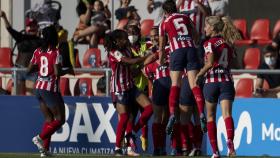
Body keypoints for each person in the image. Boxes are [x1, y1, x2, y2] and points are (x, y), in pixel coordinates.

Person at [158, 0, 206, 135]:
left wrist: (161, 60)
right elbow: (196, 34)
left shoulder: (164, 23)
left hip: (176, 52)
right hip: (190, 50)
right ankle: (201, 112)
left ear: (165, 12)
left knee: (175, 85)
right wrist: (193, 42)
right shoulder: (185, 17)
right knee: (194, 85)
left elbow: (161, 46)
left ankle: (172, 114)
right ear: (175, 8)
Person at [195, 16, 240, 158]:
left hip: (211, 82)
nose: (204, 29)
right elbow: (235, 63)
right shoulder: (228, 43)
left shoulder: (209, 43)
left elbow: (210, 62)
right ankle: (230, 144)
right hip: (226, 80)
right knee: (227, 114)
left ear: (213, 28)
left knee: (210, 117)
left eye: (206, 26)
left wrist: (199, 74)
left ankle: (215, 152)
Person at [104, 29, 153, 156]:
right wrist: (146, 57)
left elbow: (134, 58)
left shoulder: (126, 49)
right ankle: (117, 148)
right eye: (124, 38)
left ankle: (132, 133)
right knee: (125, 117)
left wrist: (145, 54)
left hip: (131, 85)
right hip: (119, 88)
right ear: (117, 40)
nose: (126, 40)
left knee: (149, 108)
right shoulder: (114, 52)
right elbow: (129, 61)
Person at [28, 25, 74, 157]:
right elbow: (57, 72)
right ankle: (39, 138)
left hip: (38, 88)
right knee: (60, 120)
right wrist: (68, 70)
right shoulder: (56, 52)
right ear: (54, 37)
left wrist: (42, 70)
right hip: (50, 89)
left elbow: (29, 70)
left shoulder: (37, 51)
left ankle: (44, 151)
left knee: (49, 120)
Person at [0, 10, 43, 95]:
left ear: (37, 27)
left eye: (34, 26)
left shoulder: (41, 41)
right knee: (15, 96)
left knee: (29, 97)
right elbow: (9, 29)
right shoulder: (20, 37)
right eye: (29, 26)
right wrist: (4, 17)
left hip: (32, 72)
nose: (31, 28)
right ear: (26, 28)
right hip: (18, 70)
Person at [143, 27, 171, 156]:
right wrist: (150, 92)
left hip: (170, 84)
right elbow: (149, 77)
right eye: (152, 36)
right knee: (157, 118)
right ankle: (157, 148)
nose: (154, 38)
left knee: (166, 119)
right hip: (158, 86)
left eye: (156, 36)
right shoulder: (149, 53)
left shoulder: (170, 49)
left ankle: (163, 147)